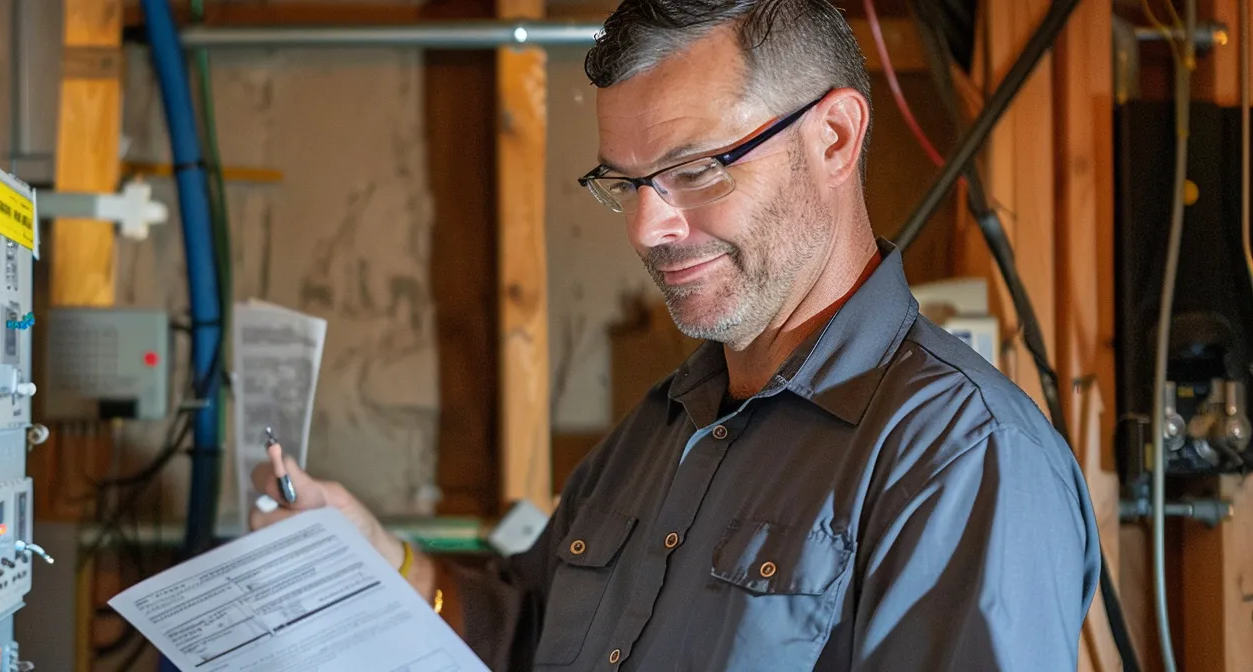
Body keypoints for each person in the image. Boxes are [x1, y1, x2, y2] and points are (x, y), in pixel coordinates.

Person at [247, 0, 1101, 669]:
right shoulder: (661, 431)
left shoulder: (962, 459)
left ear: (835, 137)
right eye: (625, 185)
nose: (648, 229)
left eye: (693, 171)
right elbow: (523, 636)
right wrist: (384, 560)